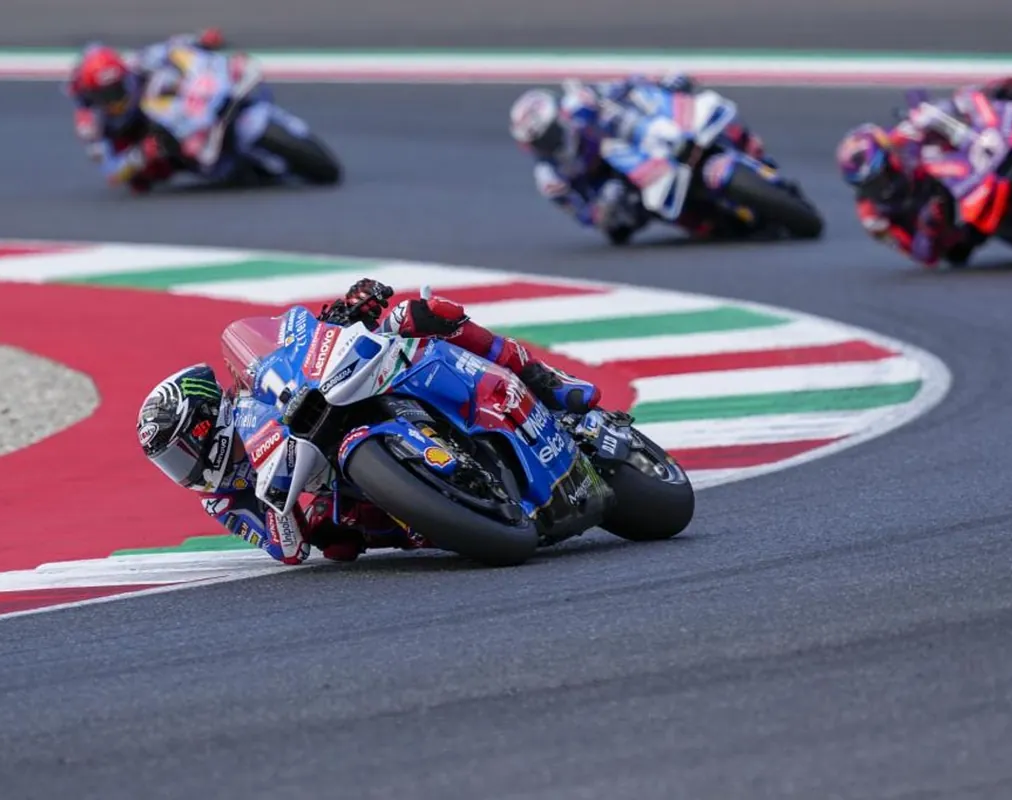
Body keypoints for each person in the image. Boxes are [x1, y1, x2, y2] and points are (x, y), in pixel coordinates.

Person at [136, 279, 602, 565]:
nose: (185, 471)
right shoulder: (221, 500)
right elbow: (288, 550)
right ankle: (451, 511)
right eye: (171, 464)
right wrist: (282, 503)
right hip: (342, 481)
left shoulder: (256, 388)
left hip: (351, 389)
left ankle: (541, 377)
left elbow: (299, 340)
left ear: (206, 424)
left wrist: (346, 313)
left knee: (417, 315)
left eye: (181, 453)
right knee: (335, 539)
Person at [835, 76, 1012, 268]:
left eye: (883, 174)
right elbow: (922, 255)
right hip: (957, 222)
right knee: (965, 248)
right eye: (872, 184)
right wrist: (930, 227)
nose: (883, 185)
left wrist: (989, 94)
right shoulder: (874, 216)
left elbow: (944, 111)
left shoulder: (901, 138)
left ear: (890, 154)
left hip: (974, 165)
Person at [508, 73, 768, 244]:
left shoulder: (581, 103)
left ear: (561, 117)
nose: (548, 145)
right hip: (622, 186)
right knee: (641, 216)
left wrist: (662, 81)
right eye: (540, 142)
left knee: (701, 106)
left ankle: (746, 146)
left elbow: (628, 85)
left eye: (550, 135)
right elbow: (584, 215)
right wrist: (602, 211)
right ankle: (715, 223)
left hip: (637, 138)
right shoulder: (550, 178)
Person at [65, 28, 226, 193]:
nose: (115, 99)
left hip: (160, 111)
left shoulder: (135, 65)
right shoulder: (90, 123)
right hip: (141, 143)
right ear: (93, 95)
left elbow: (170, 47)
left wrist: (200, 41)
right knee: (140, 179)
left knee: (167, 77)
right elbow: (111, 172)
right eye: (107, 95)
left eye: (118, 89)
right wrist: (140, 155)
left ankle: (209, 103)